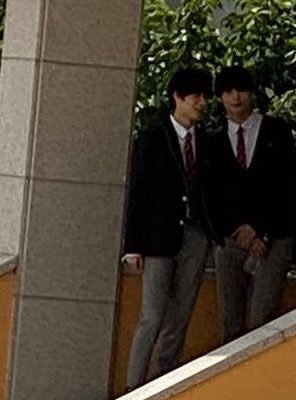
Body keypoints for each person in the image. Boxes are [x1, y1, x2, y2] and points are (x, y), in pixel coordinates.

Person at [122, 68, 219, 390]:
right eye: (196, 97)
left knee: (180, 318)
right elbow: (139, 193)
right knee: (151, 316)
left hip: (195, 236)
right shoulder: (153, 138)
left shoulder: (207, 141)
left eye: (205, 97)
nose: (202, 103)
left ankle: (162, 385)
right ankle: (134, 388)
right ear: (178, 97)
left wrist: (212, 232)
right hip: (158, 238)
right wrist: (133, 246)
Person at [212, 66, 296, 344]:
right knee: (230, 320)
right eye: (228, 92)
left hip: (273, 238)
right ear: (220, 97)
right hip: (230, 239)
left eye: (241, 90)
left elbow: (287, 185)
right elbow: (210, 194)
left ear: (251, 93)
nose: (235, 97)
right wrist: (238, 230)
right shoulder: (213, 139)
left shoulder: (277, 132)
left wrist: (261, 231)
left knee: (262, 320)